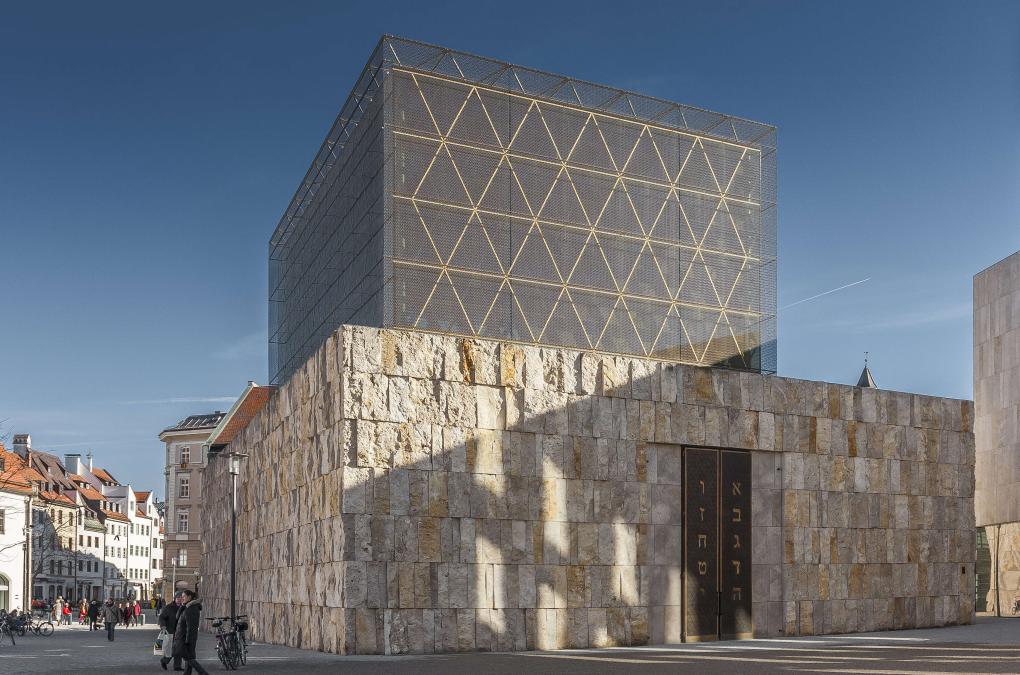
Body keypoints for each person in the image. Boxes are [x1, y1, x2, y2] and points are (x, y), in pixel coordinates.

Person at [173, 590, 209, 675]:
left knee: (188, 658)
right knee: (189, 658)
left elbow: (191, 627)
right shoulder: (187, 607)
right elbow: (177, 617)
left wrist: (188, 641)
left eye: (184, 596)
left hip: (185, 638)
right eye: (181, 596)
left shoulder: (191, 609)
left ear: (189, 597)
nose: (182, 598)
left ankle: (204, 673)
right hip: (182, 637)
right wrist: (182, 606)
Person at [158, 592, 184, 672]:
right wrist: (163, 625)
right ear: (175, 598)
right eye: (178, 598)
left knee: (179, 650)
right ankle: (164, 660)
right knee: (170, 650)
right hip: (170, 631)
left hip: (180, 632)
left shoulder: (184, 607)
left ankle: (177, 666)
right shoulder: (169, 607)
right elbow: (162, 617)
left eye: (181, 598)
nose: (179, 599)